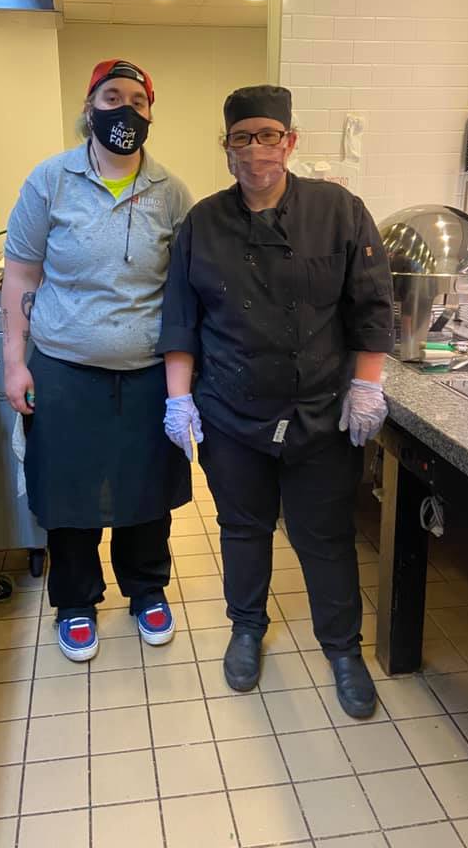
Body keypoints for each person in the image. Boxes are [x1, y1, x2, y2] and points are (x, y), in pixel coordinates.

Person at [156, 85, 393, 718]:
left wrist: (367, 385)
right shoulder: (202, 223)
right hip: (231, 412)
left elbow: (372, 307)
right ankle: (246, 627)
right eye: (242, 138)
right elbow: (179, 321)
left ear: (290, 142)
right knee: (243, 528)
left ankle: (343, 650)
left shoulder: (339, 210)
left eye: (267, 135)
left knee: (326, 535)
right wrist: (179, 402)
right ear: (226, 147)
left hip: (321, 412)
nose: (255, 149)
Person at [3, 59, 193, 662]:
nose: (125, 110)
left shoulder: (171, 193)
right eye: (112, 97)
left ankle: (147, 590)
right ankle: (76, 601)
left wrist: (185, 387)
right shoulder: (50, 181)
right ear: (89, 108)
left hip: (146, 374)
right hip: (64, 369)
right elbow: (20, 274)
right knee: (68, 493)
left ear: (151, 112)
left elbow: (184, 292)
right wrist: (15, 361)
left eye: (138, 100)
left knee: (146, 489)